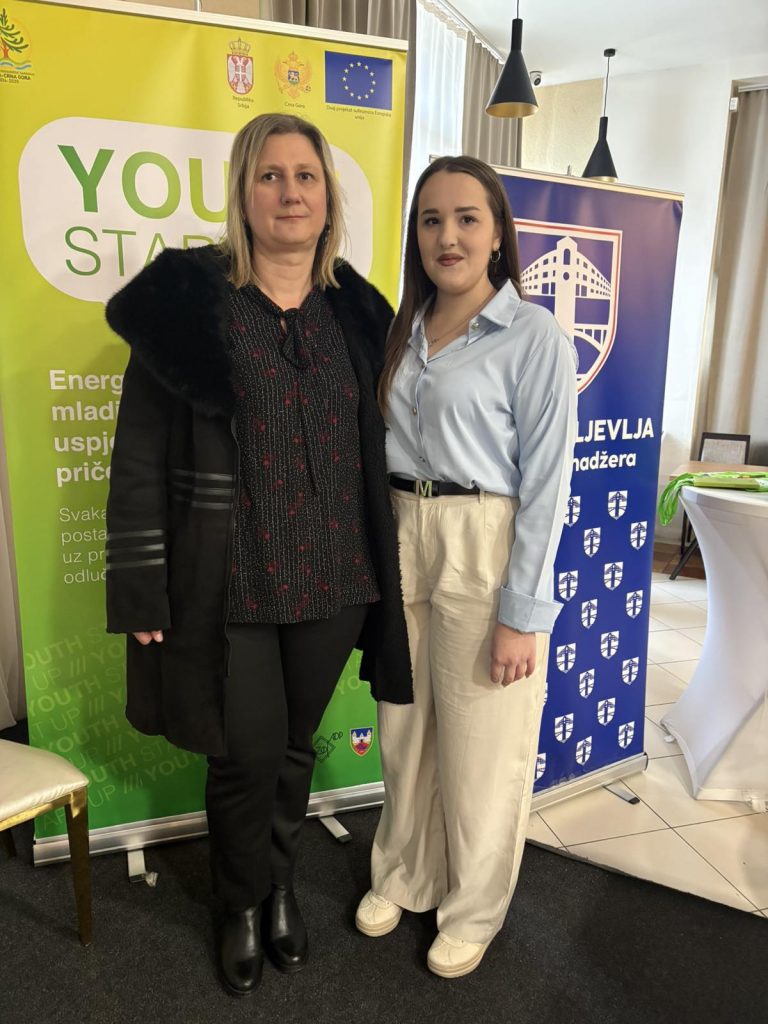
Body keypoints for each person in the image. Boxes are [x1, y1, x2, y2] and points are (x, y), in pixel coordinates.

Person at [104, 113, 411, 998]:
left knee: (292, 749)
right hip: (228, 582)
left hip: (336, 578)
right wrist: (141, 589)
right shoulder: (188, 304)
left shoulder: (359, 311)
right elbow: (137, 458)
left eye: (305, 176)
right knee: (244, 754)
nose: (289, 192)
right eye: (270, 175)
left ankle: (279, 887)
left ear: (328, 197)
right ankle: (238, 902)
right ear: (242, 193)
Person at [355, 155, 578, 978]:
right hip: (401, 533)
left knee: (483, 748)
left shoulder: (532, 335)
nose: (447, 236)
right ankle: (403, 874)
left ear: (497, 234)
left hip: (484, 539)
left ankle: (472, 908)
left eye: (466, 218)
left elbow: (548, 484)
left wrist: (522, 611)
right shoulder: (402, 331)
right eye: (431, 220)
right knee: (404, 732)